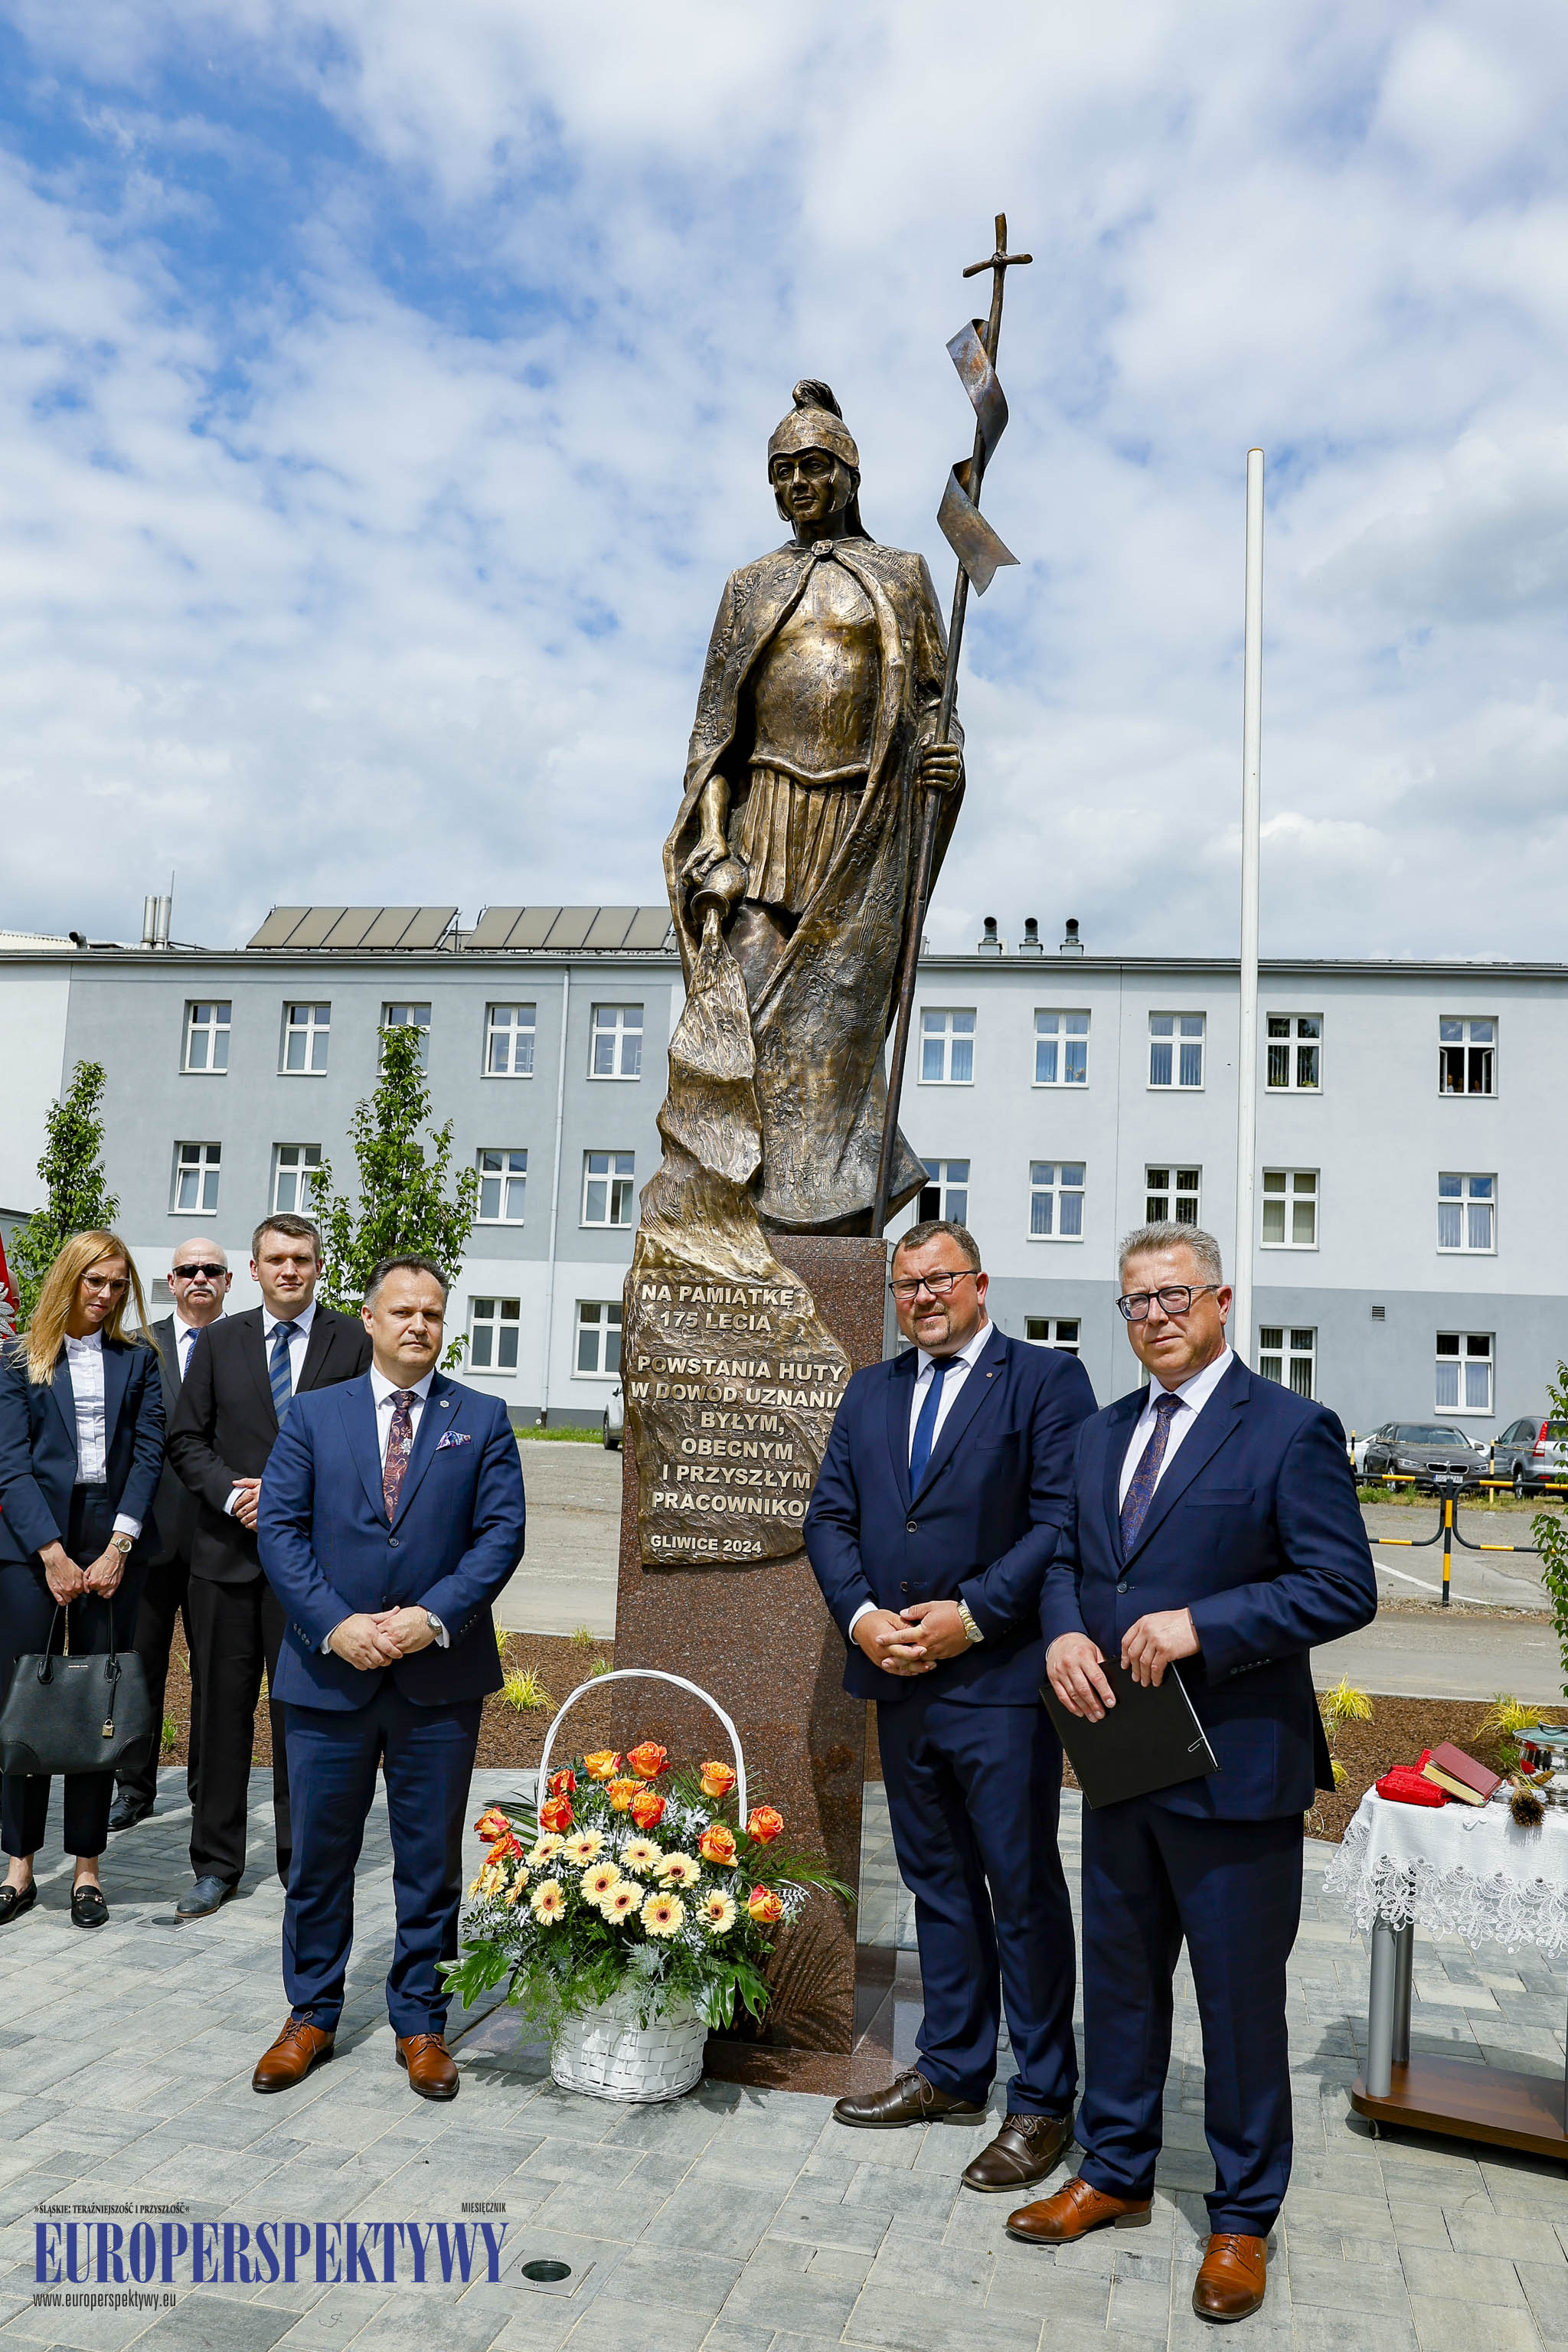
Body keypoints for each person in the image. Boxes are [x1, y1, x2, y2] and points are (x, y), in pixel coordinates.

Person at [1011, 1223, 1377, 2323]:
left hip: (1234, 1770)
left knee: (1237, 2004)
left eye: (1175, 1297)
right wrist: (1065, 1633)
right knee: (1119, 1984)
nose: (1156, 1316)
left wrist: (1200, 1627)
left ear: (1221, 1301)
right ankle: (1115, 2171)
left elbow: (1340, 1586)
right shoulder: (1100, 1432)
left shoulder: (1288, 1430)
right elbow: (1067, 1559)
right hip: (1122, 1753)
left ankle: (1242, 2218)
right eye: (1136, 1303)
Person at [804, 1219, 1096, 2194]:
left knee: (1018, 1891)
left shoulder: (1044, 1383)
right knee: (934, 1884)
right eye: (906, 1285)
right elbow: (830, 1516)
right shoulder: (871, 1389)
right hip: (898, 1677)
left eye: (939, 1281)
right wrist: (858, 1619)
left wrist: (971, 1616)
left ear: (979, 1284)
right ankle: (952, 2068)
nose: (921, 1298)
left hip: (998, 1683)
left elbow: (1060, 1521)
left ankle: (1043, 2098)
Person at [665, 380, 964, 1233]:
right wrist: (712, 840)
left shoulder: (901, 575)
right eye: (781, 471)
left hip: (860, 830)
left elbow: (935, 704)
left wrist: (944, 755)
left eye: (813, 467)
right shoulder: (747, 586)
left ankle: (836, 1202)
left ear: (847, 475)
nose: (797, 484)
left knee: (837, 1032)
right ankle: (743, 1200)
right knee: (743, 1018)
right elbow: (713, 734)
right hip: (765, 823)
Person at [252, 1254, 525, 2099]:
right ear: (367, 1320)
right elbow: (282, 1534)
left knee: (428, 1860)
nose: (418, 1325)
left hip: (435, 1682)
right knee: (319, 1858)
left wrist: (429, 1617)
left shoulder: (480, 1417)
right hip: (327, 1680)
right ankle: (310, 2014)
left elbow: (499, 1537)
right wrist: (334, 1625)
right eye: (402, 1311)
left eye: (433, 1314)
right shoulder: (310, 1415)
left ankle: (420, 2022)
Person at [167, 1214, 370, 1916]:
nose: (290, 1270)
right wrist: (230, 1494)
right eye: (276, 1259)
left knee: (303, 1720)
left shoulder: (353, 1341)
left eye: (303, 1259)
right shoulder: (221, 1342)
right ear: (252, 1270)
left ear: (319, 1267)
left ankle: (300, 1865)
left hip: (314, 1569)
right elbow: (186, 1439)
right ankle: (215, 1863)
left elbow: (368, 1442)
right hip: (225, 1561)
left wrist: (285, 1495)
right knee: (220, 1718)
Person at [0, 1232, 165, 1926]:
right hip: (30, 1538)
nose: (105, 1296)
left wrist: (119, 1544)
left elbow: (151, 1452)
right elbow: (8, 1462)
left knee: (100, 1699)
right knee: (22, 1704)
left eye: (118, 1285)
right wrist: (52, 1553)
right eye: (94, 1281)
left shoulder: (140, 1361)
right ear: (68, 1279)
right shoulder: (17, 1358)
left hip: (112, 1536)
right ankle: (19, 1865)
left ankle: (88, 1869)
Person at [109, 1240, 232, 1832]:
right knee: (141, 1670)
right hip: (151, 1539)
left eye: (211, 1270)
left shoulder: (248, 1347)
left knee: (215, 1675)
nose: (200, 1279)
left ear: (230, 1281)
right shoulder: (138, 1347)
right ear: (172, 1280)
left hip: (223, 1540)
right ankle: (133, 1787)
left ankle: (207, 1791)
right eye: (189, 1271)